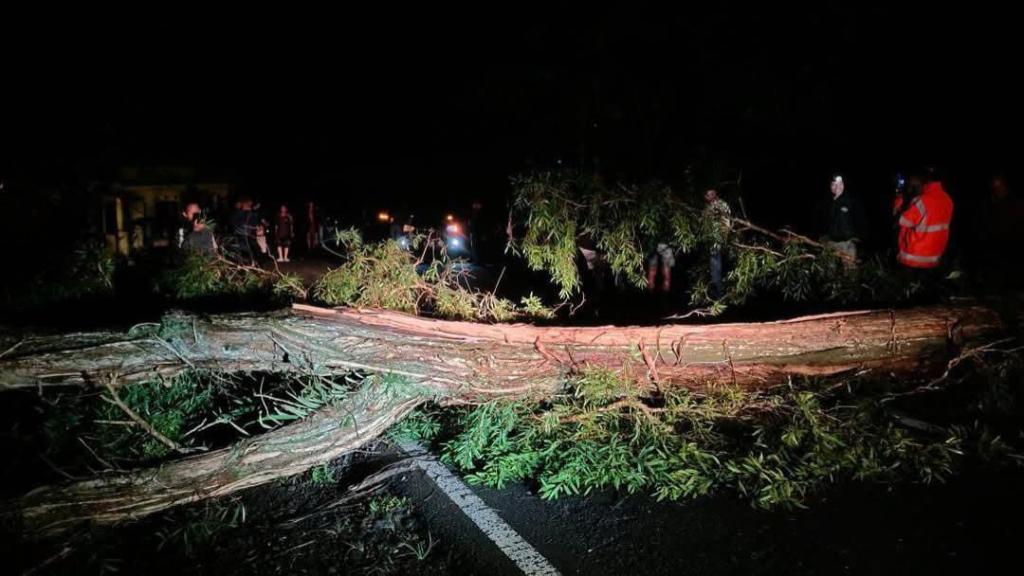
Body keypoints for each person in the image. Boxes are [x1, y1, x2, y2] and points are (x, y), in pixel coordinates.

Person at [894, 170, 954, 269]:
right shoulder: (947, 199)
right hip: (934, 258)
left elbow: (901, 220)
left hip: (913, 259)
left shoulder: (921, 201)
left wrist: (899, 201)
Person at [824, 175, 859, 263]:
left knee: (851, 271)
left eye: (840, 184)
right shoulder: (826, 203)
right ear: (830, 187)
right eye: (834, 185)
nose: (837, 187)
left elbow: (859, 219)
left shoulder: (851, 200)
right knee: (829, 272)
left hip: (847, 243)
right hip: (831, 243)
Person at [703, 188, 731, 297]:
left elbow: (726, 221)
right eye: (706, 194)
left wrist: (724, 237)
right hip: (711, 239)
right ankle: (717, 290)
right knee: (714, 264)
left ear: (714, 194)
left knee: (716, 264)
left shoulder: (721, 204)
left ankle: (718, 292)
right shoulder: (709, 206)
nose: (707, 197)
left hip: (718, 239)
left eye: (709, 194)